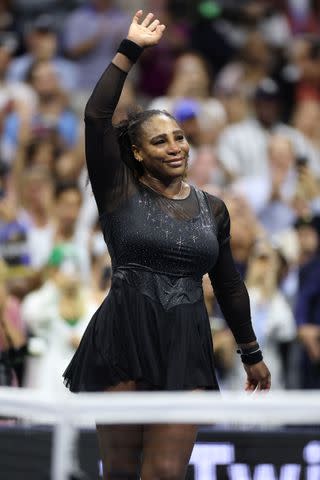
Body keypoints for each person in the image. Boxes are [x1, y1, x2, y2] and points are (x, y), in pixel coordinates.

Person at [63, 11, 271, 480]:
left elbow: (229, 283)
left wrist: (251, 353)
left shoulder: (213, 208)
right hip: (123, 335)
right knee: (119, 472)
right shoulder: (118, 191)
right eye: (159, 141)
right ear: (137, 153)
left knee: (164, 474)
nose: (175, 146)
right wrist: (129, 49)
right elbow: (96, 116)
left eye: (179, 137)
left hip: (186, 341)